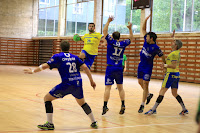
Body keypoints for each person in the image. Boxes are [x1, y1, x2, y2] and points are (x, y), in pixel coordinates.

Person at [24, 41, 98, 130]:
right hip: (77, 83)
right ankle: (94, 122)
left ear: (60, 48)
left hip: (66, 84)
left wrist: (33, 71)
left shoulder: (58, 56)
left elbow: (45, 66)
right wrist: (91, 81)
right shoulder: (75, 57)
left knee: (47, 98)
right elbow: (85, 67)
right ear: (69, 48)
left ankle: (50, 124)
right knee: (82, 103)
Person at [144, 31, 188, 115]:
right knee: (174, 93)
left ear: (175, 45)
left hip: (171, 74)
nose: (171, 43)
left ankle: (153, 109)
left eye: (173, 42)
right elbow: (177, 44)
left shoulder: (173, 54)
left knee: (162, 92)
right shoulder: (177, 52)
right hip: (176, 75)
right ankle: (184, 108)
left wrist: (164, 65)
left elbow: (174, 66)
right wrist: (173, 37)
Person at [102, 16, 133, 115]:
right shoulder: (123, 43)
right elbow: (130, 39)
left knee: (108, 88)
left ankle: (105, 106)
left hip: (110, 67)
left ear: (112, 36)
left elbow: (104, 31)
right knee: (120, 88)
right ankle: (123, 104)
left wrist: (108, 21)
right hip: (119, 68)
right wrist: (130, 29)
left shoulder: (110, 41)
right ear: (119, 37)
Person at [138, 14, 166, 113]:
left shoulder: (156, 48)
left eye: (148, 37)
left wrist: (165, 66)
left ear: (152, 39)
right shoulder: (146, 42)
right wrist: (145, 20)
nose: (146, 38)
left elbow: (162, 56)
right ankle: (149, 95)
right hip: (141, 65)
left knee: (145, 84)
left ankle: (142, 105)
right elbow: (143, 29)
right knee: (140, 82)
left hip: (148, 67)